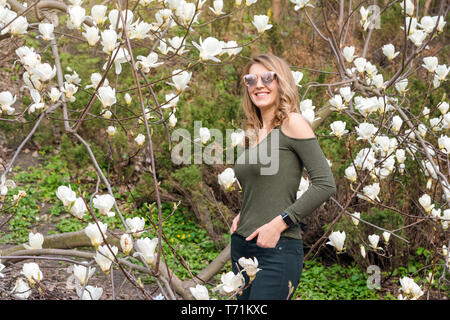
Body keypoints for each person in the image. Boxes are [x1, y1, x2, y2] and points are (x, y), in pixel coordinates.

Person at [230, 53, 337, 300]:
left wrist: (279, 223)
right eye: (250, 79)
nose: (258, 84)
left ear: (281, 82)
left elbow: (325, 183)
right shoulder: (252, 133)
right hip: (242, 246)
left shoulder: (293, 123)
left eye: (267, 77)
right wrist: (244, 212)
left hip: (276, 249)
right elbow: (263, 186)